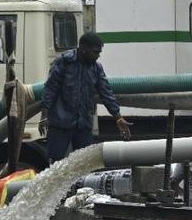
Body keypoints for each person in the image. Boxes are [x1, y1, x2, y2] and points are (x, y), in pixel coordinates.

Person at [41, 32, 132, 163]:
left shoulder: (96, 68)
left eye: (99, 52)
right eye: (95, 52)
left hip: (83, 124)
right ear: (83, 49)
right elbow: (50, 88)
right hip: (60, 123)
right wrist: (44, 115)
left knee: (85, 163)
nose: (98, 56)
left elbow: (106, 93)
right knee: (56, 163)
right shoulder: (64, 62)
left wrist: (118, 117)